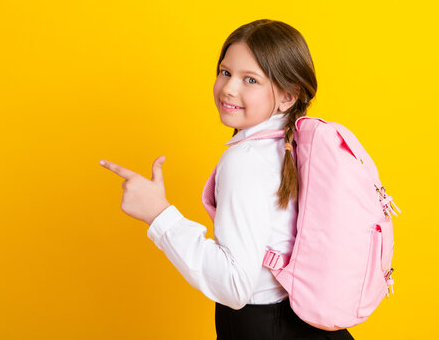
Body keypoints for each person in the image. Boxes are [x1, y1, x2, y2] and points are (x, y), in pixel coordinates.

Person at [99, 19, 355, 340]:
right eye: (225, 72)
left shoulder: (245, 160)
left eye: (251, 79)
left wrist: (159, 214)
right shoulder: (295, 144)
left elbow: (235, 285)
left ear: (288, 96)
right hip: (310, 323)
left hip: (265, 326)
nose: (229, 88)